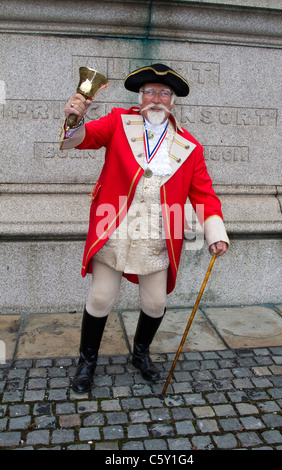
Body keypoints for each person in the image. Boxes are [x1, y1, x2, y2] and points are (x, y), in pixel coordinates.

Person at [60, 63, 229, 394]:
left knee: (154, 303)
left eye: (164, 93)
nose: (157, 98)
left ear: (173, 101)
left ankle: (140, 354)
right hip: (115, 230)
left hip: (156, 238)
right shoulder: (119, 123)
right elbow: (82, 140)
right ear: (140, 97)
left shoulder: (189, 146)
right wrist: (75, 118)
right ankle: (87, 363)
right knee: (101, 297)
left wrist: (216, 233)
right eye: (150, 92)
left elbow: (204, 195)